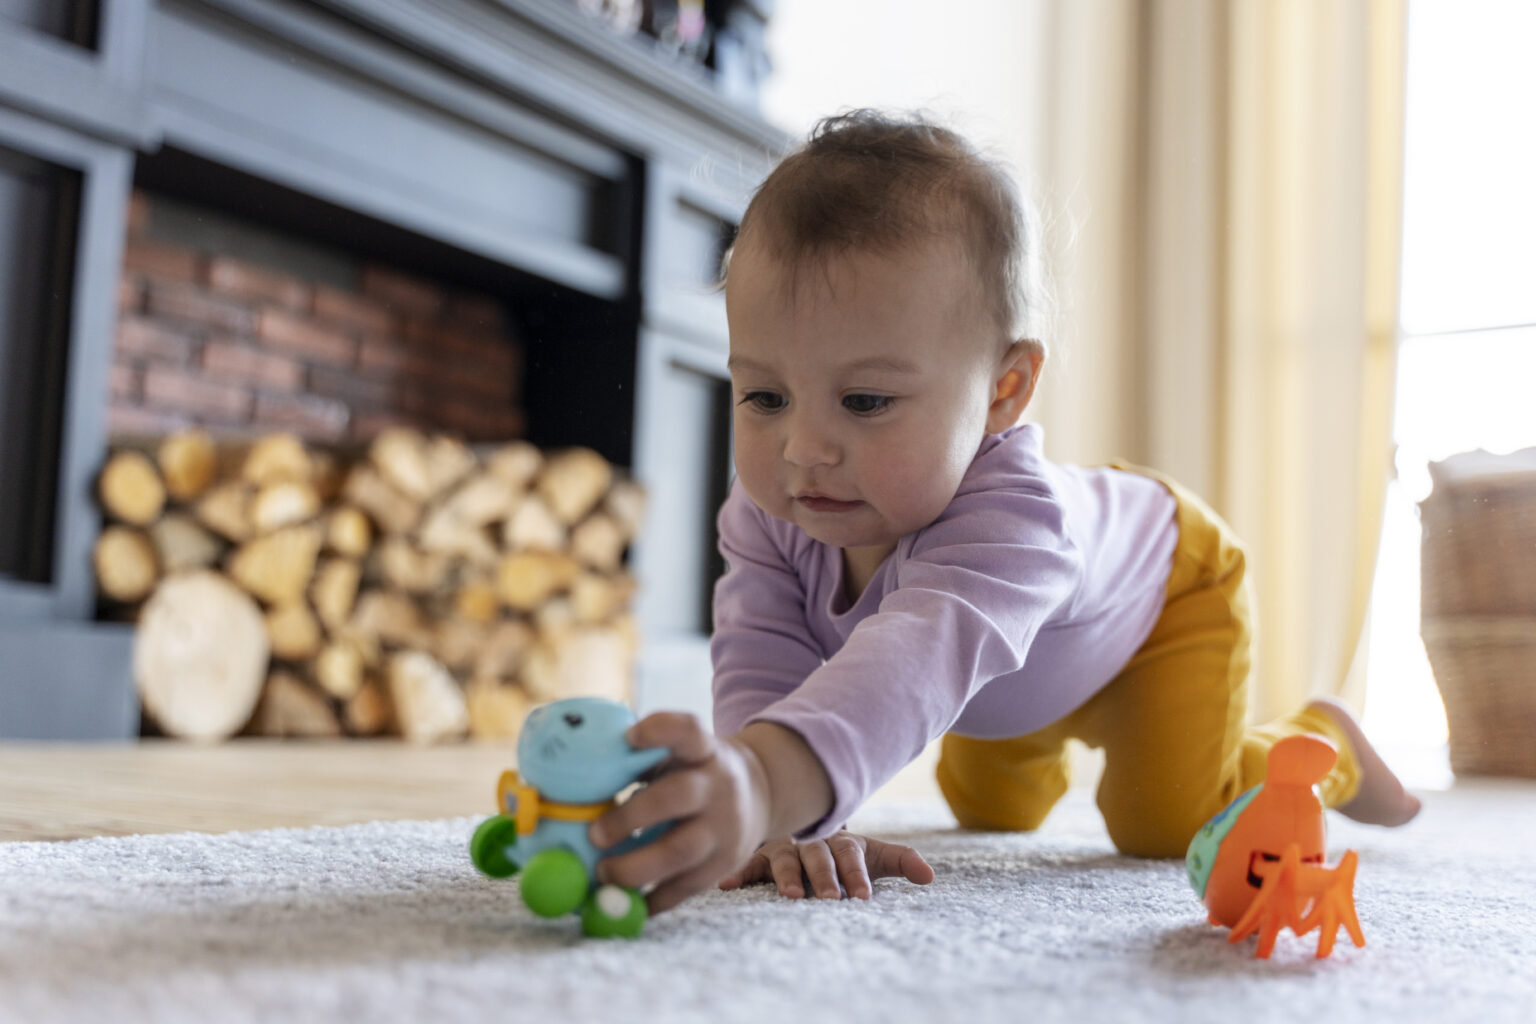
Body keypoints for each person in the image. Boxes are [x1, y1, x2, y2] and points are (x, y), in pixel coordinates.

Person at [587, 109, 1420, 915]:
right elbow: (764, 656)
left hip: (1165, 601)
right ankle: (1046, 740)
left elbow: (916, 658)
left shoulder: (1013, 522)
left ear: (1003, 390)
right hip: (1015, 671)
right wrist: (778, 816)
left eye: (866, 400)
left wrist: (767, 784)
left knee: (1166, 822)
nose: (804, 448)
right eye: (764, 395)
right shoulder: (772, 511)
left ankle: (1323, 745)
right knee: (993, 815)